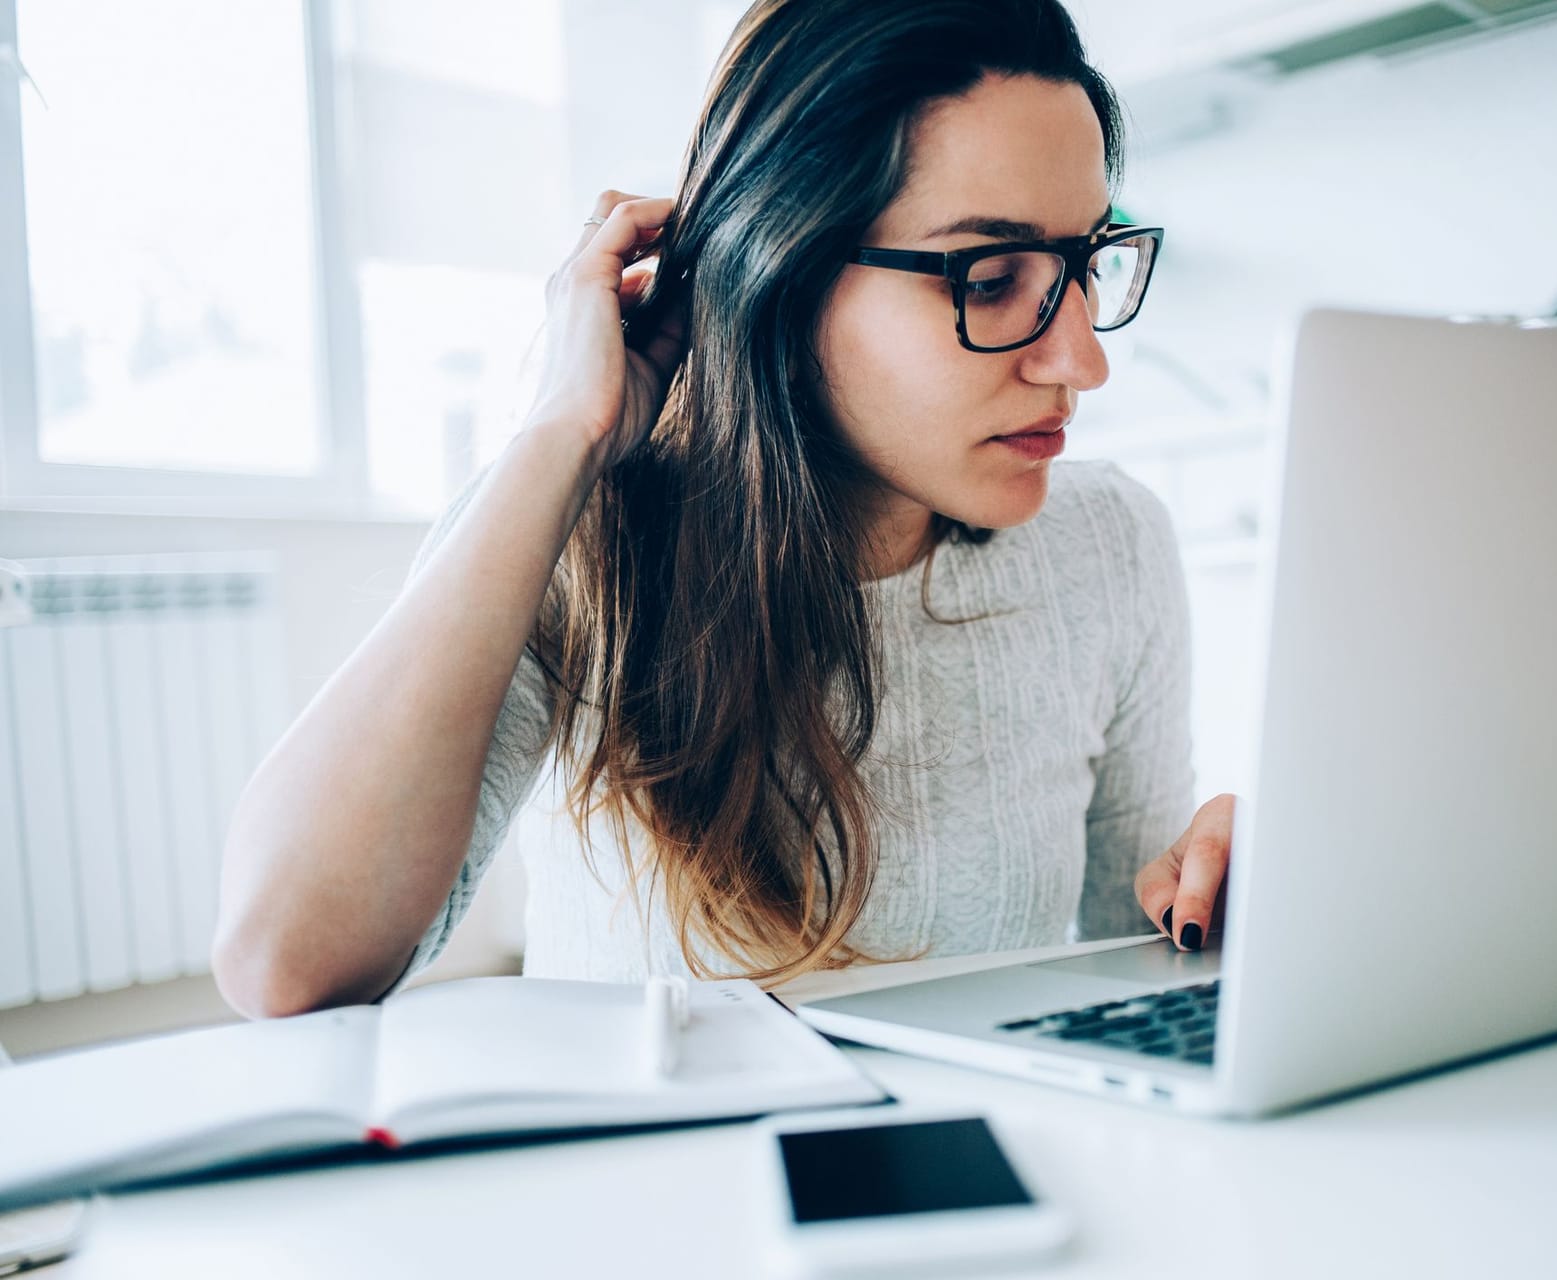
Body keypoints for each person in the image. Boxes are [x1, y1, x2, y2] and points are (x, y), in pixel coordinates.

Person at [212, 0, 1237, 1019]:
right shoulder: (575, 532)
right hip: (654, 1181)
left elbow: (1137, 960)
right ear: (782, 272)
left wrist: (1230, 899)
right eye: (994, 276)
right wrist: (559, 436)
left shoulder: (1109, 543)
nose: (1084, 361)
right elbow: (287, 963)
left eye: (1085, 264)